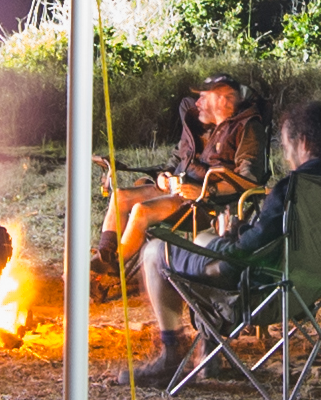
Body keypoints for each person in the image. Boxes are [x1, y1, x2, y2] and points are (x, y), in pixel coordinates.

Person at [136, 101, 321, 384]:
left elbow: (244, 256)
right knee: (203, 237)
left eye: (286, 147)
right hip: (309, 291)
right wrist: (234, 233)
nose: (287, 157)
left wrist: (227, 243)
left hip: (259, 294)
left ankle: (171, 355)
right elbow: (268, 239)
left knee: (153, 251)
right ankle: (210, 351)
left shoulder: (292, 189)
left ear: (305, 142)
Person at [103, 77, 264, 291]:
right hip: (175, 189)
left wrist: (207, 190)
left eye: (203, 98)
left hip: (204, 204)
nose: (197, 104)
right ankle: (103, 258)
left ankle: (107, 275)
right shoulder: (198, 124)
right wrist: (164, 174)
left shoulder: (247, 128)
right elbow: (176, 157)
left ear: (223, 100)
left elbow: (248, 180)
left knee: (141, 211)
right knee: (120, 196)